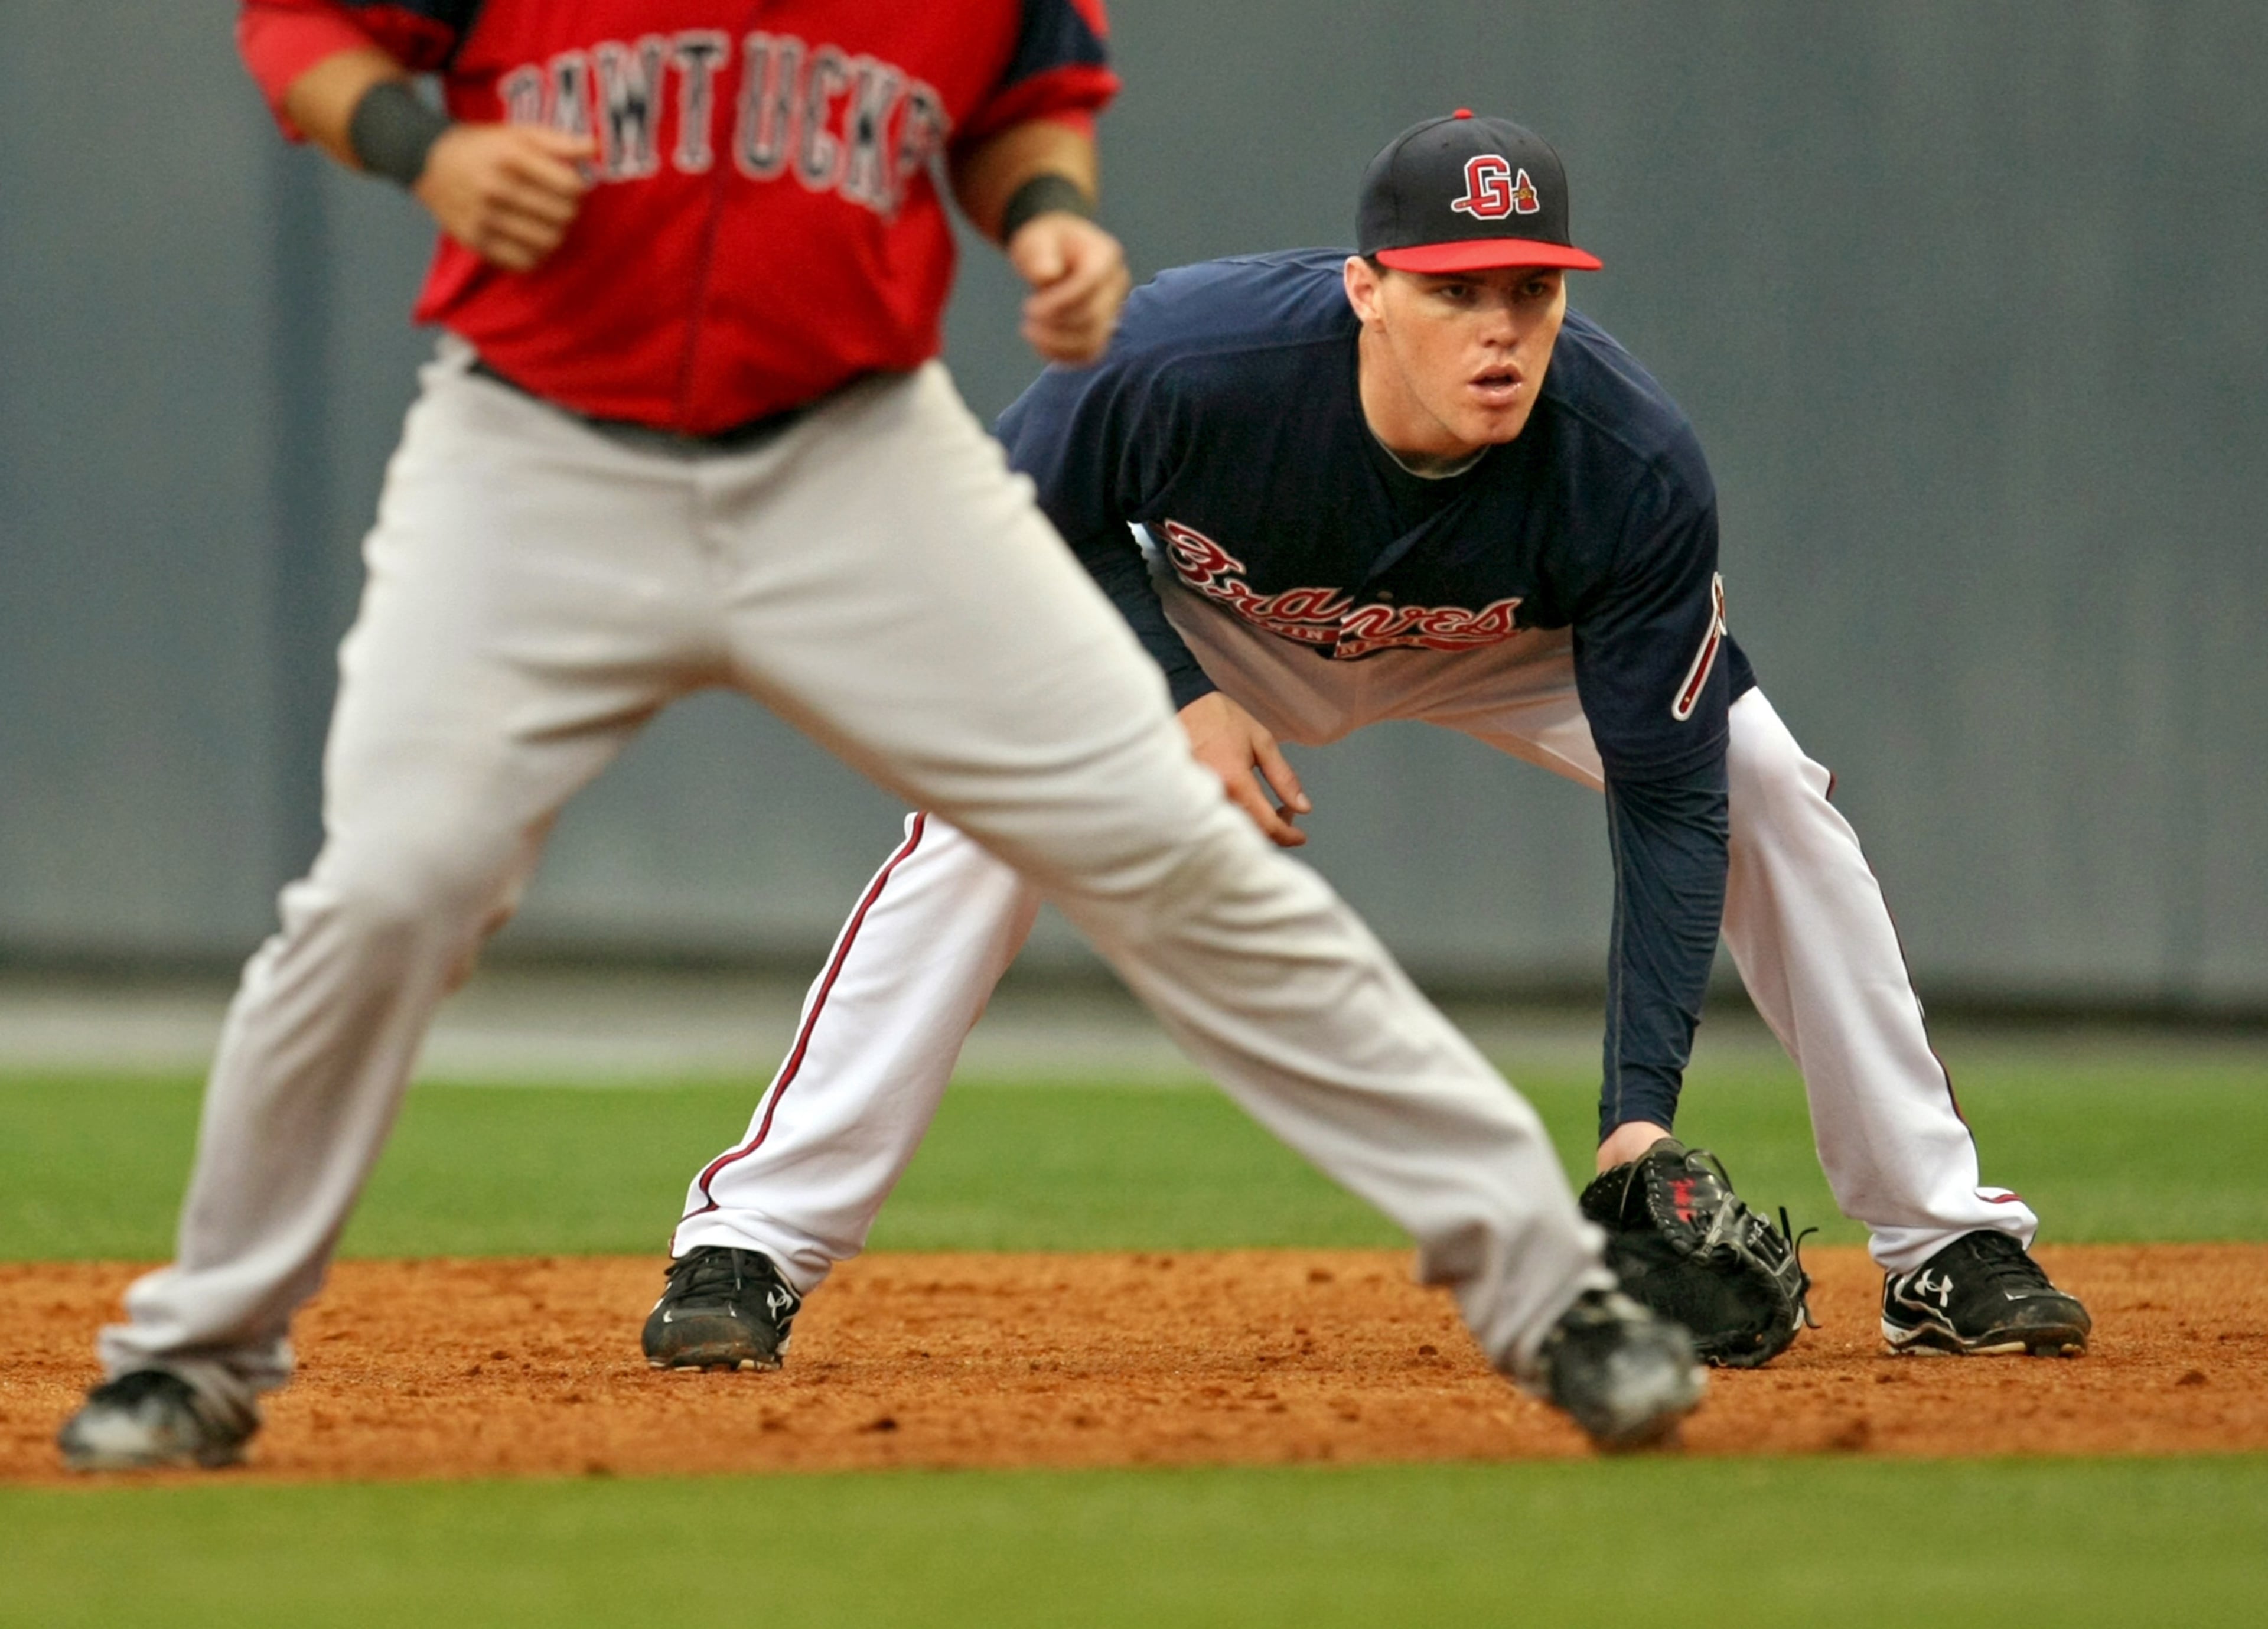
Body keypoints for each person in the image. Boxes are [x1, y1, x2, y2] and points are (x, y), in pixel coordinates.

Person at [57, 10, 1702, 1471]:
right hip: (535, 454)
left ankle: (1552, 1292)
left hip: (857, 458)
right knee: (391, 891)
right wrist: (427, 145)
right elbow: (300, 34)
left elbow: (1023, 93)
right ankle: (196, 1354)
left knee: (1168, 852)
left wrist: (1049, 216)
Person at [649, 110, 2090, 1376]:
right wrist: (1173, 693)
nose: (1501, 328)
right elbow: (1012, 517)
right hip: (1213, 624)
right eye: (1456, 290)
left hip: (1507, 645)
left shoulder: (1628, 461)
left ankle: (1941, 1246)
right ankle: (751, 1247)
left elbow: (1666, 802)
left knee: (1760, 778)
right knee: (983, 819)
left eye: (1531, 291)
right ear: (1366, 289)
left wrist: (1634, 1123)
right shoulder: (1192, 359)